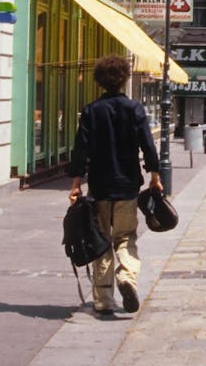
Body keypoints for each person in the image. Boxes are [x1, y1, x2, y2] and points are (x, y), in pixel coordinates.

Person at [68, 55, 163, 316]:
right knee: (126, 237)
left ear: (99, 80)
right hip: (127, 186)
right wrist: (155, 175)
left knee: (101, 242)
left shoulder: (90, 111)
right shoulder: (134, 109)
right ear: (124, 78)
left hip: (99, 187)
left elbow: (81, 150)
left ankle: (103, 301)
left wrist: (77, 182)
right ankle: (128, 277)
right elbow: (148, 144)